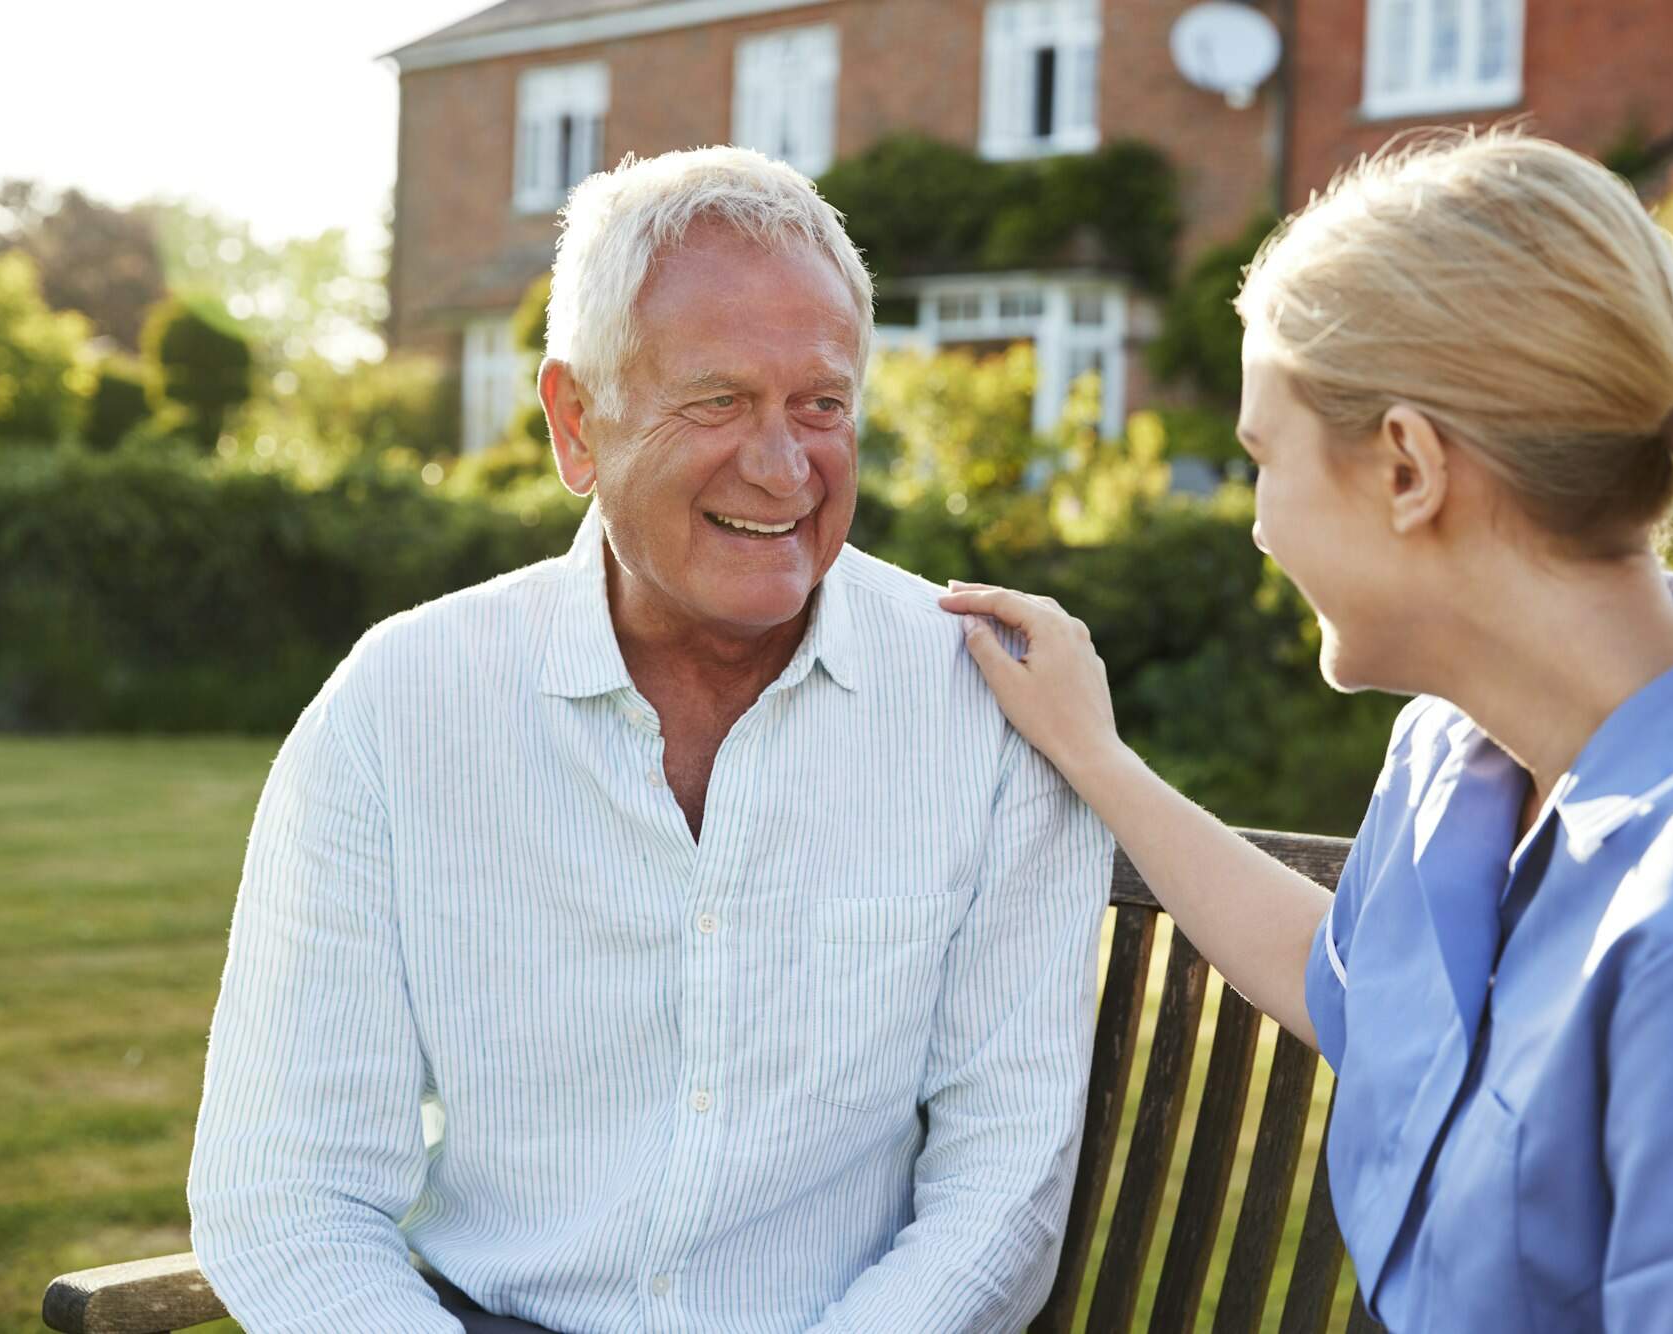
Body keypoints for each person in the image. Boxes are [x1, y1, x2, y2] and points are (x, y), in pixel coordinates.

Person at [941, 130, 1673, 1331]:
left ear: (1405, 467)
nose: (1260, 529)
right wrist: (1095, 758)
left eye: (1262, 460)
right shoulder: (1457, 756)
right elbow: (1344, 984)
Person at [187, 147, 1113, 1334]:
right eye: (716, 400)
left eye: (820, 403)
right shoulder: (401, 704)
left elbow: (1004, 1187)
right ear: (577, 422)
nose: (782, 466)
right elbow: (289, 1185)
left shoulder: (983, 706)